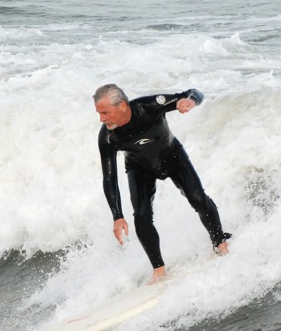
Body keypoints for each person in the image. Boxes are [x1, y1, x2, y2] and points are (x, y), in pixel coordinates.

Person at [94, 84, 231, 283]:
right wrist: (117, 216)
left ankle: (220, 241)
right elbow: (109, 178)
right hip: (139, 169)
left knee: (198, 198)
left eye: (105, 112)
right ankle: (159, 270)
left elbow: (193, 93)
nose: (101, 119)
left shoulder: (149, 106)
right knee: (141, 217)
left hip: (173, 157)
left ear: (122, 105)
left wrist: (190, 100)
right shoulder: (107, 137)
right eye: (99, 113)